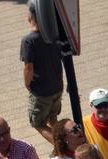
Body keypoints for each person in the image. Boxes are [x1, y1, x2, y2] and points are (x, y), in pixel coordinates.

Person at [21, 6, 62, 144]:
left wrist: (27, 84)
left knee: (37, 123)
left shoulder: (29, 41)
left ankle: (62, 149)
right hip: (57, 87)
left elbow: (28, 67)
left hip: (41, 92)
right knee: (52, 118)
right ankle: (65, 142)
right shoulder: (54, 35)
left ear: (30, 17)